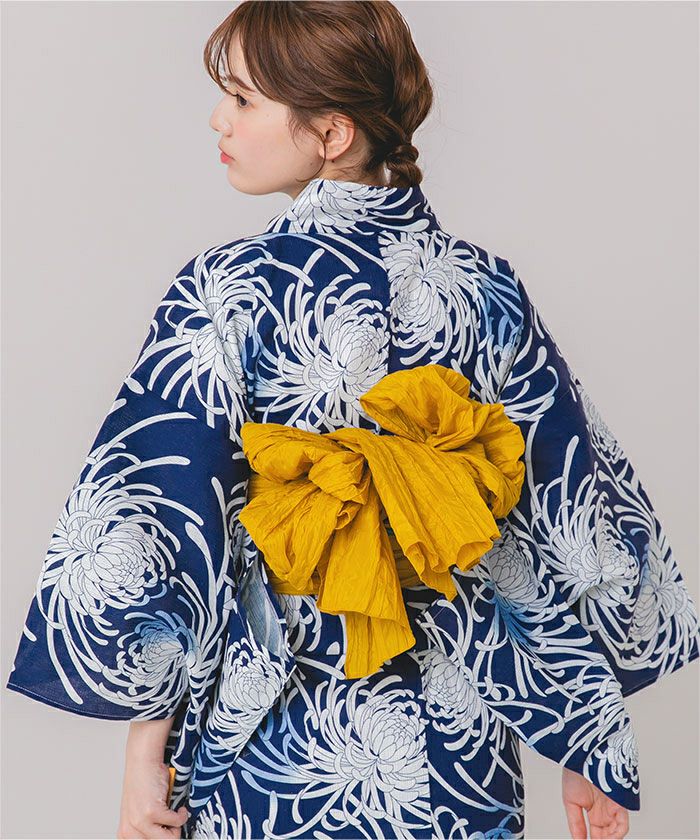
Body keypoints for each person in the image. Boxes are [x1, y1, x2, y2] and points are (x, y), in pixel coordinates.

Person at [5, 2, 700, 839]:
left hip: (275, 729)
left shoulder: (227, 289)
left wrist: (144, 752)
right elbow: (571, 507)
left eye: (244, 99)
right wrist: (591, 740)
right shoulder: (486, 288)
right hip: (457, 732)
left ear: (331, 133)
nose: (219, 119)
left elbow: (162, 519)